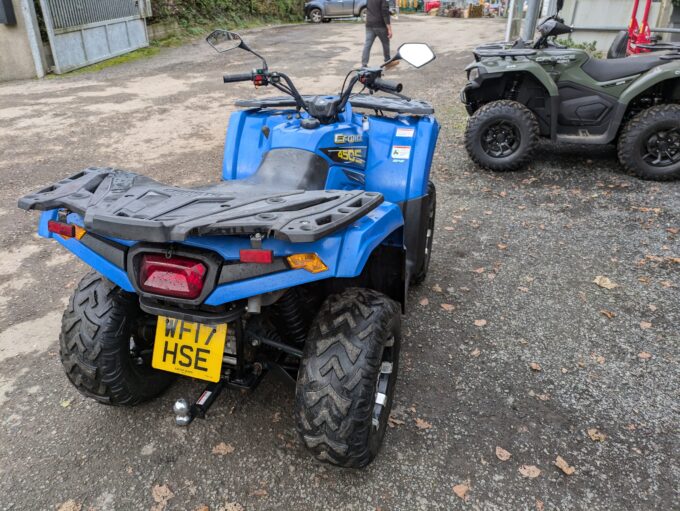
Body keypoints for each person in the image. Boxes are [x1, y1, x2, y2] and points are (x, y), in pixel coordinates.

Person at [361, 0, 397, 68]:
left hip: (369, 24)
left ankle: (364, 65)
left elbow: (369, 8)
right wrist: (389, 29)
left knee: (367, 45)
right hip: (380, 25)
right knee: (385, 43)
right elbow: (385, 13)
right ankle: (387, 61)